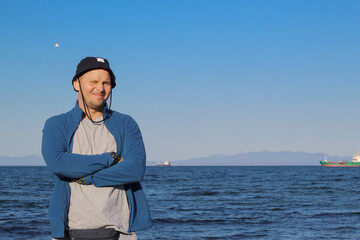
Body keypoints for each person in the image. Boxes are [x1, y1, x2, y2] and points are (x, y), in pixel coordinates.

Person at [42, 57, 152, 240]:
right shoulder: (57, 124)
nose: (100, 88)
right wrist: (111, 159)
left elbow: (136, 169)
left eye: (106, 83)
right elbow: (59, 163)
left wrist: (88, 178)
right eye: (93, 81)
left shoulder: (126, 123)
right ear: (76, 84)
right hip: (70, 232)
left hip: (121, 232)